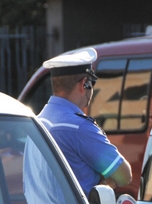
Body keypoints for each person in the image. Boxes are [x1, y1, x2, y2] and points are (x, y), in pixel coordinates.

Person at [37, 48, 132, 196]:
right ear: (84, 84)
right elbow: (124, 175)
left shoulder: (38, 121)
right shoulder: (78, 127)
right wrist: (106, 182)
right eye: (92, 83)